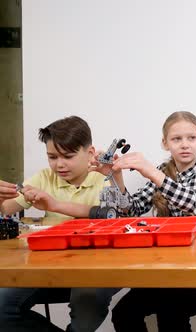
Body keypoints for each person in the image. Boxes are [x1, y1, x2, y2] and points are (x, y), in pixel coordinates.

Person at [109, 111, 196, 332]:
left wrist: (155, 175)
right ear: (165, 143)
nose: (185, 144)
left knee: (170, 313)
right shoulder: (163, 172)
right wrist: (116, 177)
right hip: (168, 269)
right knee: (123, 313)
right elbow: (131, 211)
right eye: (177, 139)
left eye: (191, 138)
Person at [0, 116, 119, 332]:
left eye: (68, 156)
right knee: (2, 304)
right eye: (52, 157)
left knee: (87, 302)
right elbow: (7, 209)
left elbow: (109, 219)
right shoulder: (44, 177)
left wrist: (54, 204)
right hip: (49, 265)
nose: (59, 164)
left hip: (95, 266)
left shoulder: (106, 178)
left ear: (90, 153)